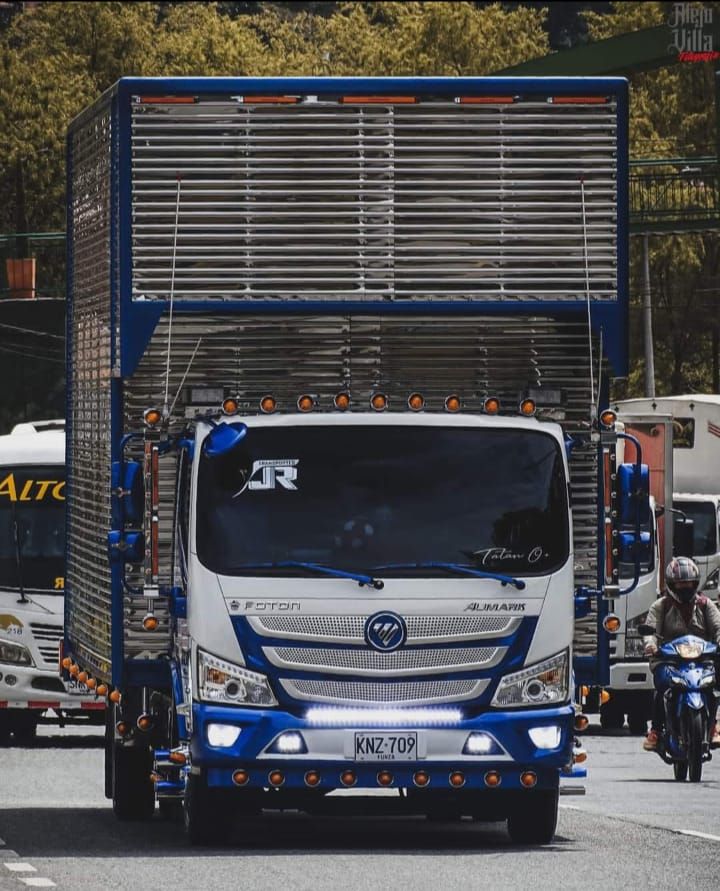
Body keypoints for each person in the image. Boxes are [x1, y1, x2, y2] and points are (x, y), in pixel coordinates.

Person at [642, 556, 720, 751]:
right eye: (680, 585)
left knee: (713, 685)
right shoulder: (661, 606)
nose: (685, 588)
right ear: (671, 585)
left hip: (702, 661)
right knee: (662, 687)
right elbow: (650, 631)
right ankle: (656, 730)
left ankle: (713, 726)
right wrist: (651, 645)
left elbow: (718, 627)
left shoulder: (705, 604)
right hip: (669, 661)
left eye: (689, 584)